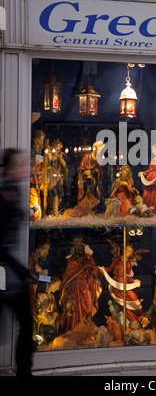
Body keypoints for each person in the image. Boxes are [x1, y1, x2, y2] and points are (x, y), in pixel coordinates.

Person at [0, 148, 38, 376]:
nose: (29, 169)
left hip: (12, 275)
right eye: (24, 165)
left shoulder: (13, 190)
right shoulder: (4, 194)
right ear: (13, 168)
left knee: (25, 323)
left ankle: (24, 371)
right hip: (6, 275)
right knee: (24, 323)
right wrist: (22, 270)